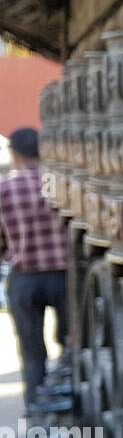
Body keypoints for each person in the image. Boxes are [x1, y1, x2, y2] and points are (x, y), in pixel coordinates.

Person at [0, 127, 67, 412]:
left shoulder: (4, 188)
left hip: (24, 277)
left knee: (31, 351)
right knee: (72, 342)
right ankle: (72, 404)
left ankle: (38, 413)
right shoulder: (59, 183)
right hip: (64, 276)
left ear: (15, 154)